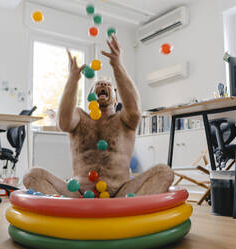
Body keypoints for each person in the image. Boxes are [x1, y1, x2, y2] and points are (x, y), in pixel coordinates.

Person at [23, 35, 174, 197]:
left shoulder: (124, 119)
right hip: (79, 193)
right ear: (89, 98)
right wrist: (73, 79)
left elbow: (135, 109)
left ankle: (121, 213)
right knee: (32, 175)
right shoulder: (80, 116)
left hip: (121, 193)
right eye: (98, 85)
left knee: (164, 172)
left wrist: (117, 65)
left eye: (108, 86)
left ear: (116, 100)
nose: (103, 85)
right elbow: (63, 122)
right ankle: (81, 212)